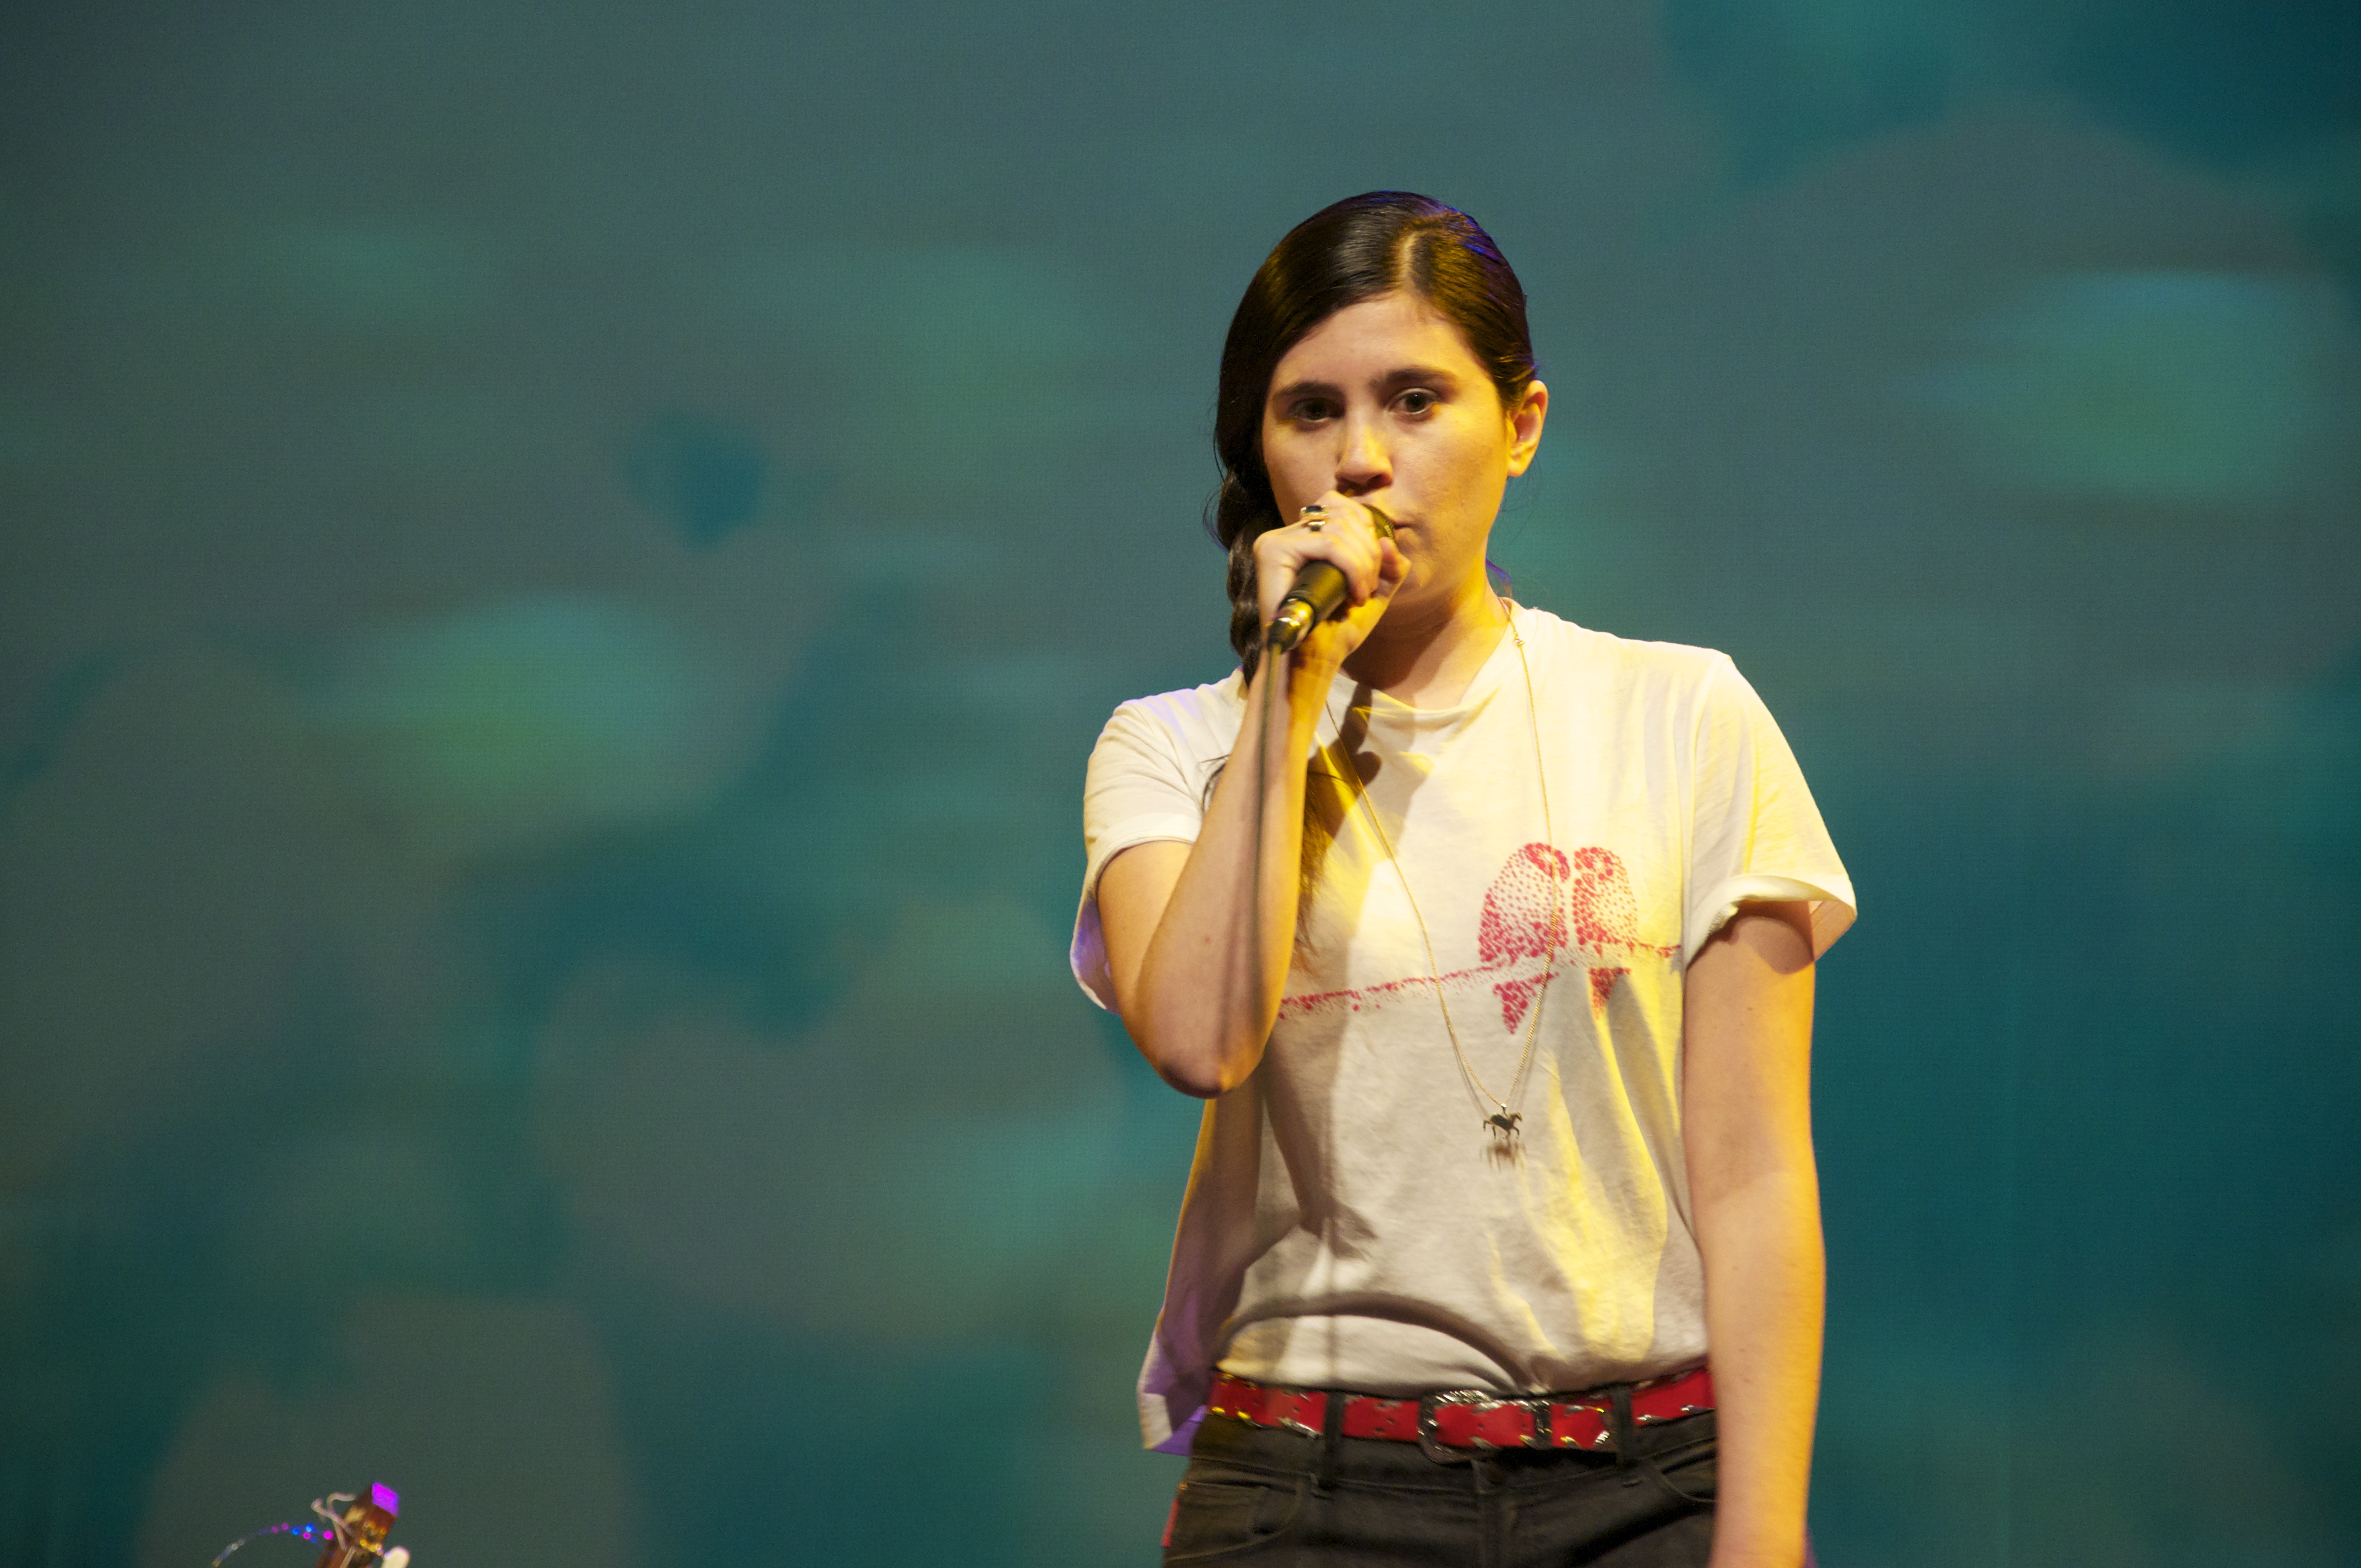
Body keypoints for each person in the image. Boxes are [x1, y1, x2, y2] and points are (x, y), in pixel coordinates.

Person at [1071, 192, 1853, 1567]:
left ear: (1522, 423)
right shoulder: (1176, 745)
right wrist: (1290, 685)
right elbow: (1197, 1039)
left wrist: (1760, 1532)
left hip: (1644, 1479)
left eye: (1415, 399)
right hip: (1312, 1482)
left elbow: (1751, 1173)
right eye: (1309, 411)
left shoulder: (1680, 713)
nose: (1361, 459)